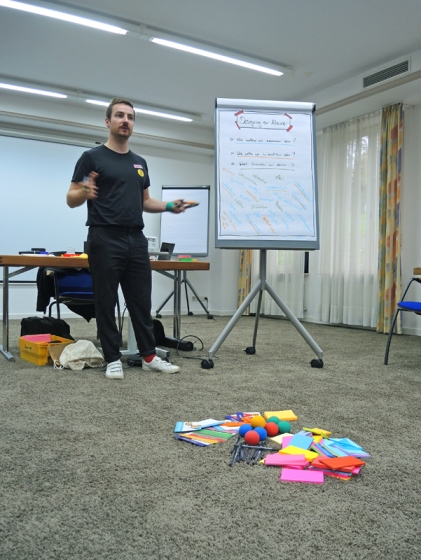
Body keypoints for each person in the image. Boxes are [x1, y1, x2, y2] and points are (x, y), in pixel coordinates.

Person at [66, 97, 185, 379]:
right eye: (119, 115)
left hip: (136, 238)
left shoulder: (139, 163)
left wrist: (169, 206)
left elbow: (145, 201)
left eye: (130, 117)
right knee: (106, 301)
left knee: (141, 301)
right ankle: (112, 358)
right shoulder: (91, 158)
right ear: (108, 121)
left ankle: (149, 356)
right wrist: (84, 192)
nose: (125, 121)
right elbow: (71, 198)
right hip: (104, 236)